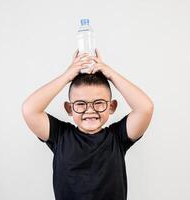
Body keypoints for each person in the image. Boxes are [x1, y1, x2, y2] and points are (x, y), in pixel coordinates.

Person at [21, 49, 154, 200]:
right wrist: (67, 76)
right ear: (69, 108)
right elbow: (29, 109)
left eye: (98, 103)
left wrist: (111, 74)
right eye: (80, 104)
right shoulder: (60, 136)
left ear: (112, 107)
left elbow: (145, 108)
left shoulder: (117, 137)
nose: (90, 110)